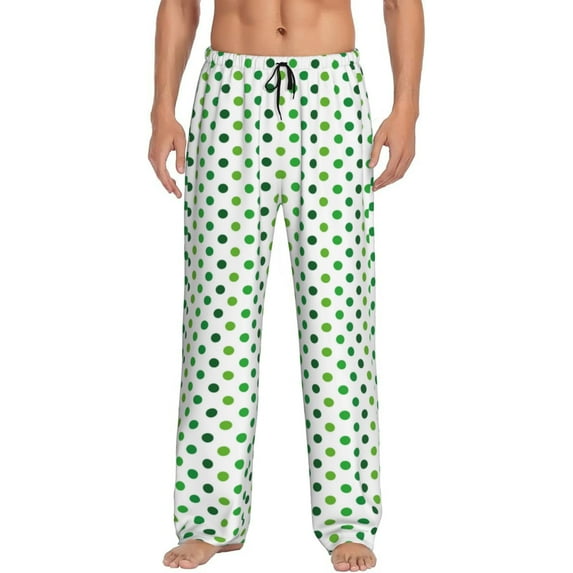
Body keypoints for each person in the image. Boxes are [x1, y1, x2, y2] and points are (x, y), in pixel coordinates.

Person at [148, 0, 424, 570]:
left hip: (331, 94)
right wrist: (161, 110)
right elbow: (179, 3)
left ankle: (349, 520)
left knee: (338, 320)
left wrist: (407, 108)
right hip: (229, 93)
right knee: (217, 319)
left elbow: (400, 2)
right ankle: (209, 518)